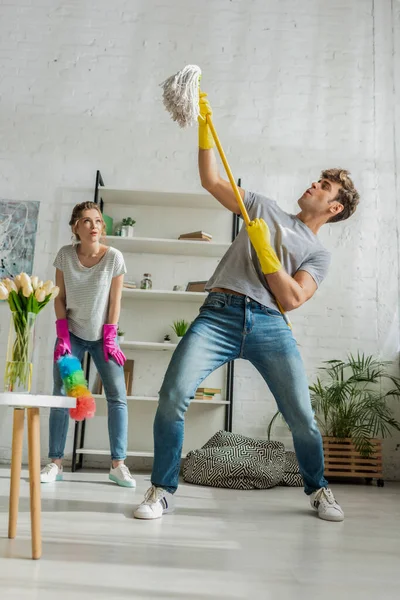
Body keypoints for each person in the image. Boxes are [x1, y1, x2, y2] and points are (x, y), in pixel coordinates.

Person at [134, 91, 360, 521]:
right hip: (217, 315)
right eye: (317, 178)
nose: (313, 183)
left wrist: (268, 255)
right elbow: (211, 180)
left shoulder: (319, 254)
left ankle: (318, 489)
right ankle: (161, 490)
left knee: (302, 418)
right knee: (173, 396)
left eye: (324, 186)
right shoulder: (263, 206)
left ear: (334, 207)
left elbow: (292, 299)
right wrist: (204, 128)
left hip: (270, 326)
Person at [40, 201, 136, 488]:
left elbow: (116, 300)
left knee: (118, 396)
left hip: (102, 337)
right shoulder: (65, 256)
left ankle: (118, 465)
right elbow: (59, 297)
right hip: (71, 334)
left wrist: (110, 336)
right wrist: (62, 335)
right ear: (75, 228)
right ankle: (55, 462)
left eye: (97, 221)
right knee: (61, 394)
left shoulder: (114, 258)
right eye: (86, 221)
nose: (93, 226)